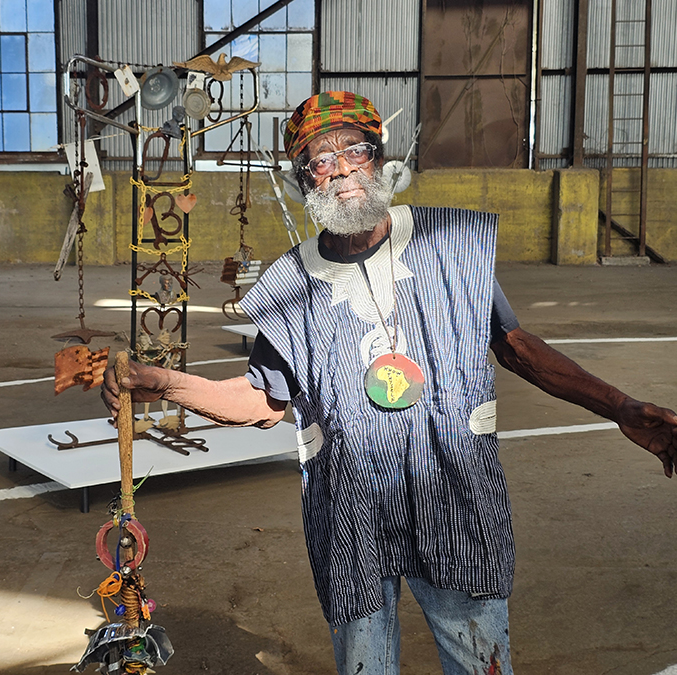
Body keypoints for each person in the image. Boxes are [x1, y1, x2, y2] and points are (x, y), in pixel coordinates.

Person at [102, 91, 677, 675]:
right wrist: (164, 382)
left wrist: (619, 405)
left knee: (480, 659)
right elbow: (263, 400)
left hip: (454, 494)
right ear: (303, 181)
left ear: (379, 160)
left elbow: (518, 348)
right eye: (320, 160)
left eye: (354, 150)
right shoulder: (290, 283)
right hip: (350, 512)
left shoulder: (452, 241)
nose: (341, 169)